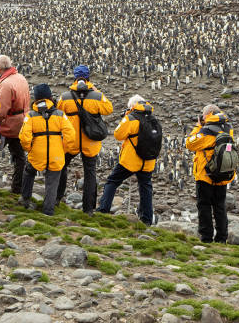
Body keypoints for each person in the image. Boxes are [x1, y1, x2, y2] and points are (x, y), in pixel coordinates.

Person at [56, 65, 113, 214]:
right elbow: (109, 109)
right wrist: (94, 91)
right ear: (88, 78)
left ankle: (56, 198)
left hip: (71, 141)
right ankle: (88, 209)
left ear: (75, 78)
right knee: (90, 173)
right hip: (90, 141)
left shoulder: (65, 97)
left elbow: (58, 112)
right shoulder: (97, 96)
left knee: (61, 167)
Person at [96, 95, 159, 225]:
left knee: (112, 182)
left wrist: (126, 117)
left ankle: (103, 210)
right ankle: (147, 219)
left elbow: (118, 134)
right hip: (148, 161)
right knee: (145, 187)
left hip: (131, 160)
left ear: (132, 106)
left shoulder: (132, 118)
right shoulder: (153, 119)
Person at [18, 83, 76, 215]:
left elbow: (24, 137)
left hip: (37, 154)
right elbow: (71, 135)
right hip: (56, 154)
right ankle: (48, 210)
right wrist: (63, 149)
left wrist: (29, 148)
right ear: (50, 97)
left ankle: (25, 199)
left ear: (36, 98)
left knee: (29, 171)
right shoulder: (60, 114)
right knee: (52, 182)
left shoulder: (31, 115)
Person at [185, 104, 235, 243]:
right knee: (220, 206)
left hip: (205, 174)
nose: (203, 117)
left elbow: (190, 143)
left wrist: (198, 127)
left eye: (204, 114)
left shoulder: (207, 130)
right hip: (223, 172)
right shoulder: (228, 128)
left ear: (210, 114)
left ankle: (206, 236)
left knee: (204, 205)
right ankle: (222, 237)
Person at [0, 54, 30, 194]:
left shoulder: (6, 84)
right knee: (20, 156)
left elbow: (1, 111)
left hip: (7, 126)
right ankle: (17, 187)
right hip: (22, 123)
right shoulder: (21, 78)